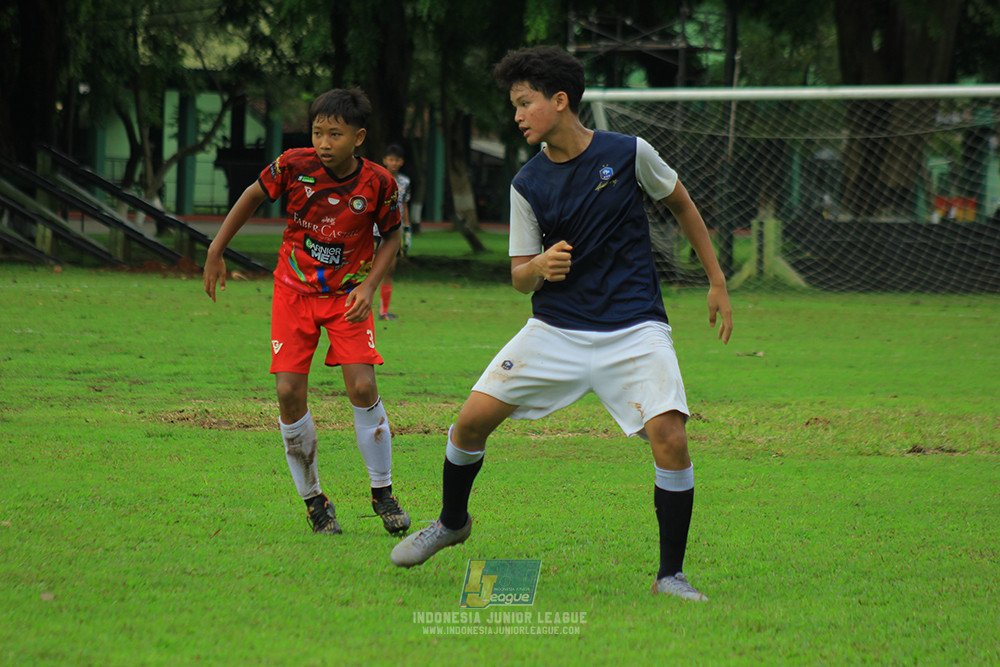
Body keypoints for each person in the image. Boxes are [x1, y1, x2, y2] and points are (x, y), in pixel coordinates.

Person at [390, 46, 733, 601]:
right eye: (514, 105)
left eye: (525, 103)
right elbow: (519, 277)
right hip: (556, 330)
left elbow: (682, 204)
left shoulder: (629, 153)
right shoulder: (527, 183)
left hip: (634, 327)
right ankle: (452, 522)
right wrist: (539, 267)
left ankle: (670, 575)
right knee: (470, 423)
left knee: (670, 436)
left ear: (560, 100)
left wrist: (715, 280)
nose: (517, 116)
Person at [203, 88, 411, 537]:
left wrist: (370, 287)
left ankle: (383, 492)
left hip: (348, 296)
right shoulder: (293, 166)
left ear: (358, 138)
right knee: (288, 393)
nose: (323, 143)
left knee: (363, 385)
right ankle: (315, 502)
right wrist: (217, 248)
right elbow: (251, 196)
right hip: (293, 293)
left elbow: (392, 236)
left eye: (335, 134)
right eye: (317, 132)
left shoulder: (379, 183)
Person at [376, 143, 412, 321]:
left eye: (397, 160)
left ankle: (384, 311)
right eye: (391, 159)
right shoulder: (377, 178)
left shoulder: (405, 182)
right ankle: (357, 306)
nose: (394, 163)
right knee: (368, 269)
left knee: (389, 270)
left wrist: (407, 229)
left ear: (402, 162)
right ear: (385, 160)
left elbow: (404, 204)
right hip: (376, 230)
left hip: (395, 231)